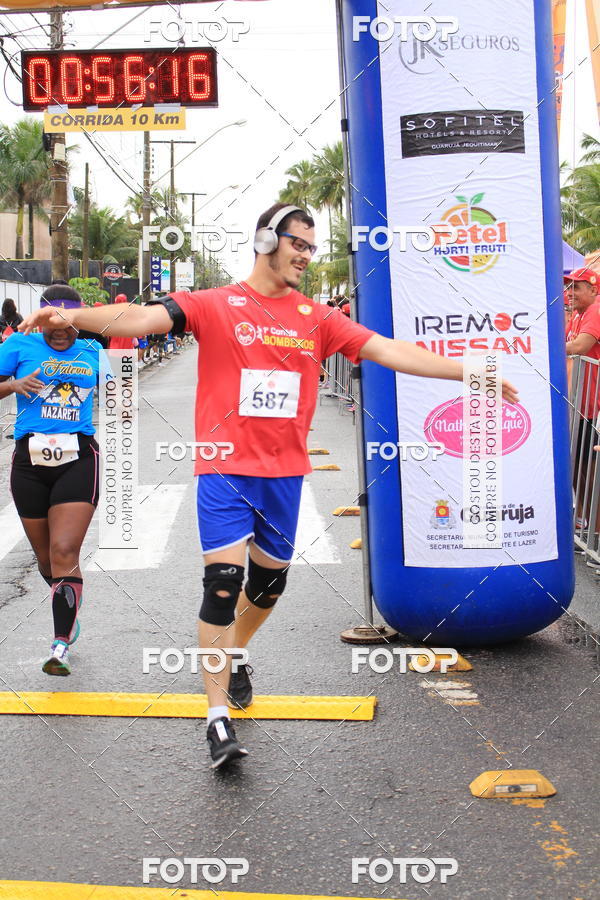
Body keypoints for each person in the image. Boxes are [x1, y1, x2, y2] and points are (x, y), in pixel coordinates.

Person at [20, 203, 519, 766]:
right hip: (224, 471)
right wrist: (73, 317)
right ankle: (215, 721)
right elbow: (138, 318)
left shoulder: (318, 317)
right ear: (264, 240)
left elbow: (388, 350)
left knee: (268, 588)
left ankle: (235, 652)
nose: (306, 254)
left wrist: (469, 372)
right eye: (297, 243)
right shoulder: (215, 303)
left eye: (312, 246)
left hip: (284, 476)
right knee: (222, 585)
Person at [1, 284, 102, 676]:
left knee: (63, 551)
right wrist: (12, 385)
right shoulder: (19, 347)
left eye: (68, 323)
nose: (61, 331)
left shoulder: (94, 352)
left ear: (78, 320)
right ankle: (68, 610)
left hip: (77, 458)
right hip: (29, 460)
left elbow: (123, 392)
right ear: (40, 320)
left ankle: (59, 644)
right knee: (46, 559)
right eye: (52, 323)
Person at [565, 267, 600, 528]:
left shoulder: (595, 310)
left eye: (576, 287)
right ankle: (585, 524)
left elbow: (578, 347)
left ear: (594, 289)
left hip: (592, 405)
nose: (570, 292)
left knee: (589, 469)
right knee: (579, 464)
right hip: (580, 402)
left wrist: (543, 346)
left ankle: (595, 533)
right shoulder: (579, 314)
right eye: (569, 286)